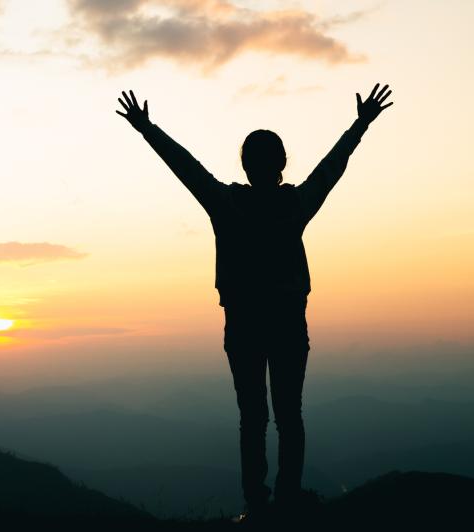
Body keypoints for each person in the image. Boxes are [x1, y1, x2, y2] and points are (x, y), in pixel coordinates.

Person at [116, 84, 393, 523]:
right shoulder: (293, 204)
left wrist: (148, 129)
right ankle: (284, 500)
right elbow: (330, 170)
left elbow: (185, 168)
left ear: (246, 165)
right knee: (289, 416)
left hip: (243, 325)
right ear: (281, 164)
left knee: (253, 418)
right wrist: (360, 124)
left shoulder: (228, 204)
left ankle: (257, 504)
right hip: (287, 323)